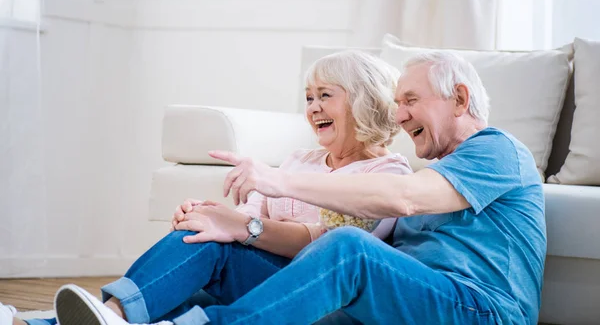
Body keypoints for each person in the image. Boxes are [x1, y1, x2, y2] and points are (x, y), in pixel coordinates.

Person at [53, 50, 546, 324]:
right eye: (396, 103)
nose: (398, 116)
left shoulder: (497, 150)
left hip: (481, 310)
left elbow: (404, 200)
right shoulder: (435, 168)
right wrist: (232, 224)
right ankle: (94, 317)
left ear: (459, 98)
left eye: (411, 100)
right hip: (405, 303)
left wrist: (273, 180)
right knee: (214, 248)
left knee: (348, 248)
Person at [3, 50, 412, 325]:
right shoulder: (300, 162)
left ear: (363, 101)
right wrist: (215, 216)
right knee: (200, 243)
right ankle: (45, 320)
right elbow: (252, 215)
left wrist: (238, 230)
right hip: (263, 274)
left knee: (212, 249)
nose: (313, 107)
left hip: (307, 293)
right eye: (308, 98)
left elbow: (323, 248)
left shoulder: (388, 177)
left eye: (326, 96)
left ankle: (112, 314)